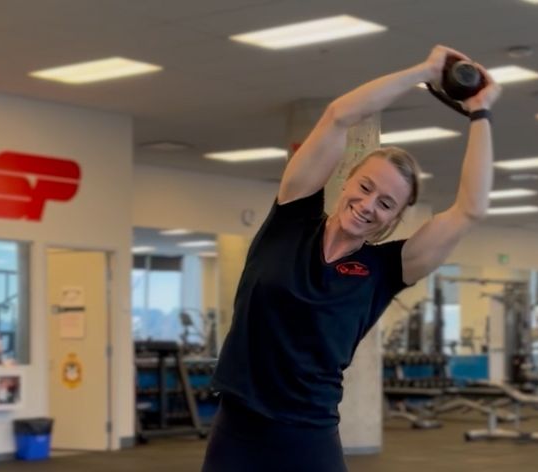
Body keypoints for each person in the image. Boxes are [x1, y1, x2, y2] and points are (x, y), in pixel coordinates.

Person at [202, 45, 501, 472]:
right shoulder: (291, 217)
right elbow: (339, 115)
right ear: (346, 181)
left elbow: (470, 209)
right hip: (237, 430)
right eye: (365, 188)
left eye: (385, 203)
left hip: (308, 438)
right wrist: (422, 71)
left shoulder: (384, 270)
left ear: (395, 218)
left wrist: (480, 112)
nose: (367, 205)